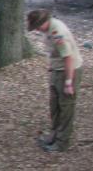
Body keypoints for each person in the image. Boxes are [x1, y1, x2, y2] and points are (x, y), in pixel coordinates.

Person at [27, 9, 83, 152]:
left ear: (45, 21)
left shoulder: (57, 33)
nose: (38, 30)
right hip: (58, 69)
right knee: (55, 105)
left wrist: (69, 82)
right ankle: (54, 134)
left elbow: (68, 57)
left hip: (68, 70)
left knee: (66, 107)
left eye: (38, 26)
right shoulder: (49, 29)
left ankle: (62, 142)